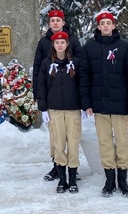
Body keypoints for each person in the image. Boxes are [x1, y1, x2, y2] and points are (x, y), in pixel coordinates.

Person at [83, 12, 128, 197]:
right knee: (105, 143)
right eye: (102, 23)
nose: (106, 26)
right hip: (100, 105)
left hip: (121, 106)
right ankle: (109, 181)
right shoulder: (90, 47)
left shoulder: (124, 47)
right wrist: (87, 103)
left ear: (114, 26)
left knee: (122, 143)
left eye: (109, 23)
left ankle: (122, 181)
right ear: (98, 27)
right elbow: (84, 76)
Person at [33, 9, 83, 182]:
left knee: (72, 138)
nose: (55, 23)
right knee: (56, 138)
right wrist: (39, 98)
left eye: (58, 20)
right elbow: (38, 70)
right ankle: (57, 167)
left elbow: (80, 71)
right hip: (53, 98)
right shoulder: (43, 43)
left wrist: (83, 101)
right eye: (52, 20)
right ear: (49, 23)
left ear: (63, 22)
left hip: (71, 99)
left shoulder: (73, 41)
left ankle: (72, 171)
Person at [37, 31, 89, 194]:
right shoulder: (46, 64)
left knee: (73, 143)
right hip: (55, 110)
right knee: (58, 144)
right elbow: (41, 86)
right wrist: (43, 108)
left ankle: (73, 179)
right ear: (53, 45)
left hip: (73, 110)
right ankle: (62, 179)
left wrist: (84, 106)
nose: (60, 45)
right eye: (57, 42)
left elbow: (83, 85)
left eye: (62, 42)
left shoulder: (76, 63)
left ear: (67, 44)